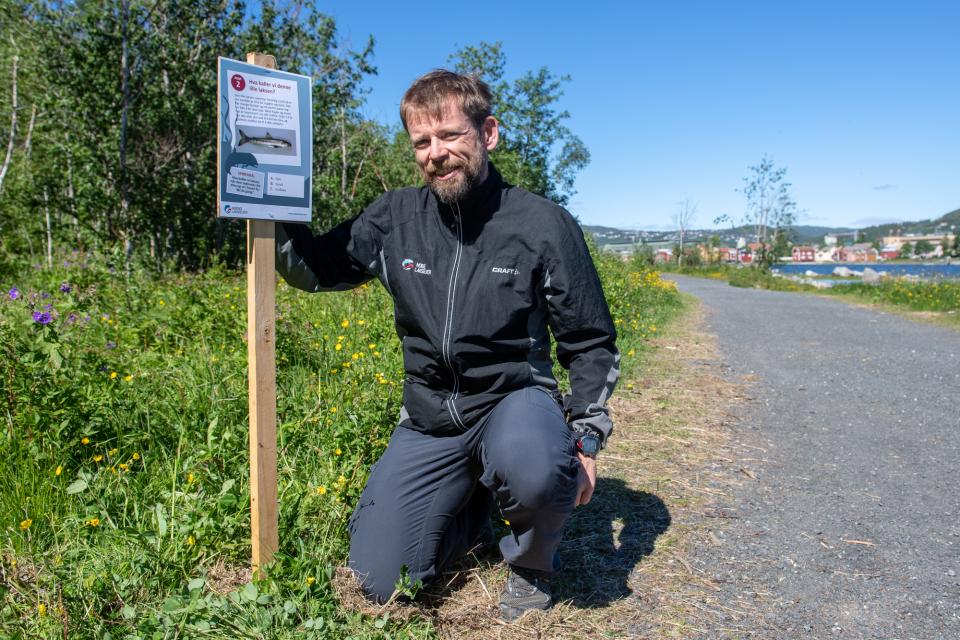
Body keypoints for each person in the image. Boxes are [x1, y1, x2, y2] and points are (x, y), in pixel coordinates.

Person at [275, 69, 618, 620]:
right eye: (422, 142)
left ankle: (531, 565)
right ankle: (472, 505)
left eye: (451, 135)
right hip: (430, 416)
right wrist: (265, 201)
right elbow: (316, 268)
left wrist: (586, 440)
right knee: (376, 583)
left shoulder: (542, 225)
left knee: (534, 467)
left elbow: (589, 340)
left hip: (512, 400)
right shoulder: (394, 219)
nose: (436, 153)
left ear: (488, 133)